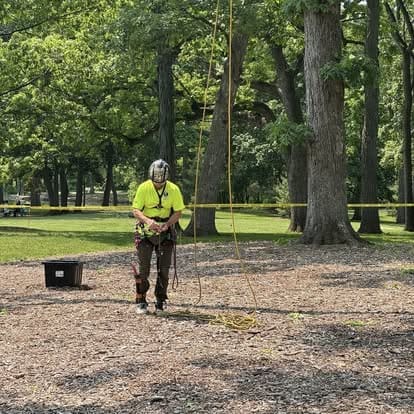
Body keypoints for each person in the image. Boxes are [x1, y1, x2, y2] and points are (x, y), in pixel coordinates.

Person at [132, 159, 185, 315]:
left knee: (164, 269)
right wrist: (148, 222)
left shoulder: (174, 189)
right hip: (145, 233)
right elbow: (136, 209)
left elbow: (178, 211)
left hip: (165, 233)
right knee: (144, 269)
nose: (158, 184)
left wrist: (168, 224)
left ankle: (160, 301)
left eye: (161, 181)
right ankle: (141, 299)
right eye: (156, 181)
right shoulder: (143, 188)